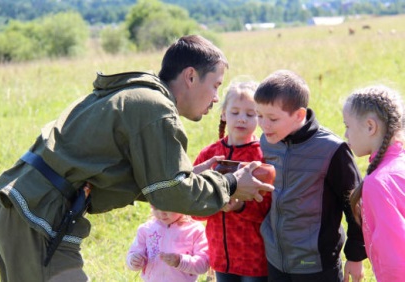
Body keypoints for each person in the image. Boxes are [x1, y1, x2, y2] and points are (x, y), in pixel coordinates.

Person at [0, 35, 274, 282]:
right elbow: (170, 195)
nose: (215, 98)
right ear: (190, 76)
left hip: (25, 211)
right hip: (36, 216)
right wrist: (232, 183)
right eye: (215, 85)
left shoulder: (139, 96)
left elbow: (157, 184)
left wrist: (187, 178)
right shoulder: (155, 108)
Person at [254, 69, 367, 282]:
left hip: (316, 265)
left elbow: (355, 205)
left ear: (298, 115)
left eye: (272, 118)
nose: (263, 124)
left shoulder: (332, 150)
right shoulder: (267, 141)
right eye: (259, 115)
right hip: (276, 259)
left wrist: (355, 256)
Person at [193, 80, 271, 282]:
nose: (242, 119)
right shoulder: (209, 155)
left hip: (255, 259)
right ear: (223, 114)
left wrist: (240, 207)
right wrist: (214, 203)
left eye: (250, 114)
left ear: (260, 117)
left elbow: (270, 210)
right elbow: (192, 205)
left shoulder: (263, 157)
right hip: (220, 256)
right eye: (235, 112)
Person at [343, 85, 405, 282]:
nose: (346, 135)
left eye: (347, 126)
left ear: (370, 126)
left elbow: (394, 261)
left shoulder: (378, 184)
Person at [126, 205, 209, 281]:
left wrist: (180, 261)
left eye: (168, 207)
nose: (161, 213)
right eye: (156, 207)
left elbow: (203, 264)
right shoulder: (146, 229)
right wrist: (134, 261)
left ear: (182, 202)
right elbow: (133, 253)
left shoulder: (195, 230)